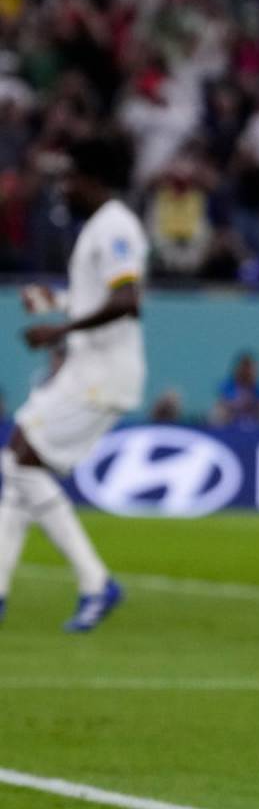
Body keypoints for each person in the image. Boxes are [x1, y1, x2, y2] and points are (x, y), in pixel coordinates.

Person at [0, 134, 146, 632]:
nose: (62, 187)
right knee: (18, 466)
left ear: (92, 178)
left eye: (69, 177)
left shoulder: (115, 227)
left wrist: (59, 330)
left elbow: (127, 300)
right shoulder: (99, 228)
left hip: (101, 374)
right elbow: (100, 298)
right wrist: (57, 302)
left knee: (20, 460)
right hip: (87, 370)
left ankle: (96, 583)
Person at [211, 351, 259, 427]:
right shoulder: (228, 385)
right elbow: (224, 402)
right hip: (230, 420)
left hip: (252, 421)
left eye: (250, 369)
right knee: (219, 409)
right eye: (244, 369)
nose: (247, 372)